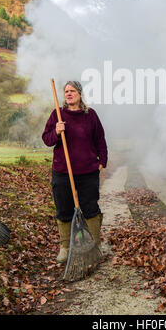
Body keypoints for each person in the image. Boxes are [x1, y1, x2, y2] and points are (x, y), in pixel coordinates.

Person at [42, 80, 108, 263]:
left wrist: (102, 161)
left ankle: (95, 246)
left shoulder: (90, 115)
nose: (69, 94)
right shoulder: (57, 114)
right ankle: (65, 248)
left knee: (91, 209)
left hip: (88, 172)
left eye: (72, 91)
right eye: (66, 91)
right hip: (62, 171)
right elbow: (46, 140)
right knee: (63, 208)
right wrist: (56, 131)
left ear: (79, 94)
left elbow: (100, 140)